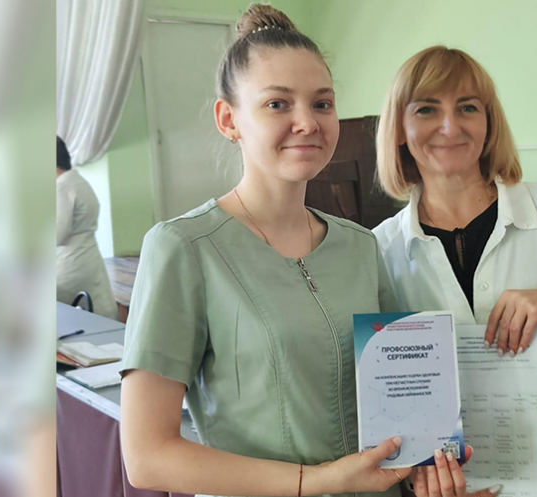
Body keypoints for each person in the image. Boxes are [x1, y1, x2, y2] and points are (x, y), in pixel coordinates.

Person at [119, 6, 425, 497]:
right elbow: (147, 456)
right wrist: (320, 481)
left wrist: (430, 464)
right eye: (278, 104)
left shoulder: (360, 246)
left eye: (322, 103)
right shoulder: (184, 248)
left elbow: (400, 397)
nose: (307, 122)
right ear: (229, 119)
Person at [374, 46, 537, 497]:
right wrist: (421, 478)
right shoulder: (380, 250)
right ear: (399, 127)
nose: (450, 127)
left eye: (467, 108)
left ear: (489, 122)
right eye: (427, 109)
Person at [56, 136, 117, 319]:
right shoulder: (79, 182)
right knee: (97, 313)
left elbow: (58, 233)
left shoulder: (61, 187)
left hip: (70, 265)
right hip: (87, 258)